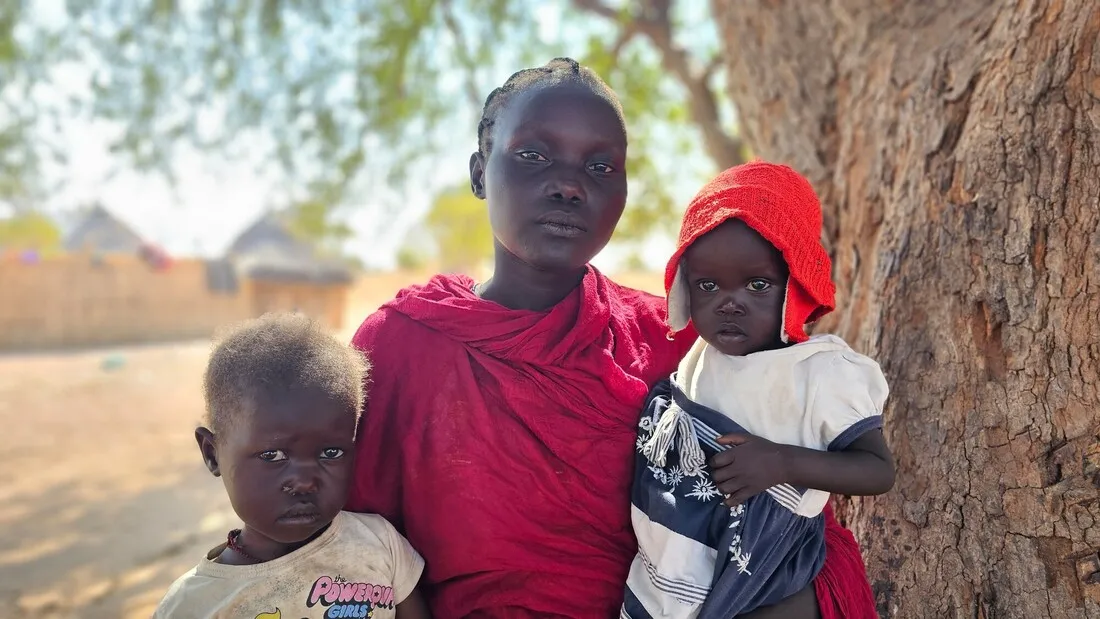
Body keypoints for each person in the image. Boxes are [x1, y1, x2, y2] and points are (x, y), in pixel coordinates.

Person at [347, 57, 880, 618]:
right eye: (533, 155)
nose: (569, 186)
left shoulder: (685, 347)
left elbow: (782, 529)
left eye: (601, 167)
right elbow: (355, 551)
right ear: (480, 172)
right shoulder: (400, 347)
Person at [623, 162, 896, 619]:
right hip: (686, 566)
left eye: (758, 285)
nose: (730, 303)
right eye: (708, 285)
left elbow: (877, 471)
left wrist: (781, 462)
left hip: (771, 578)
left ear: (795, 285)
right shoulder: (702, 357)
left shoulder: (819, 374)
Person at [154, 313, 431, 619]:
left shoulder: (380, 544)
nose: (304, 481)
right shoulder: (194, 606)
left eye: (331, 451)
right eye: (272, 456)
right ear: (212, 454)